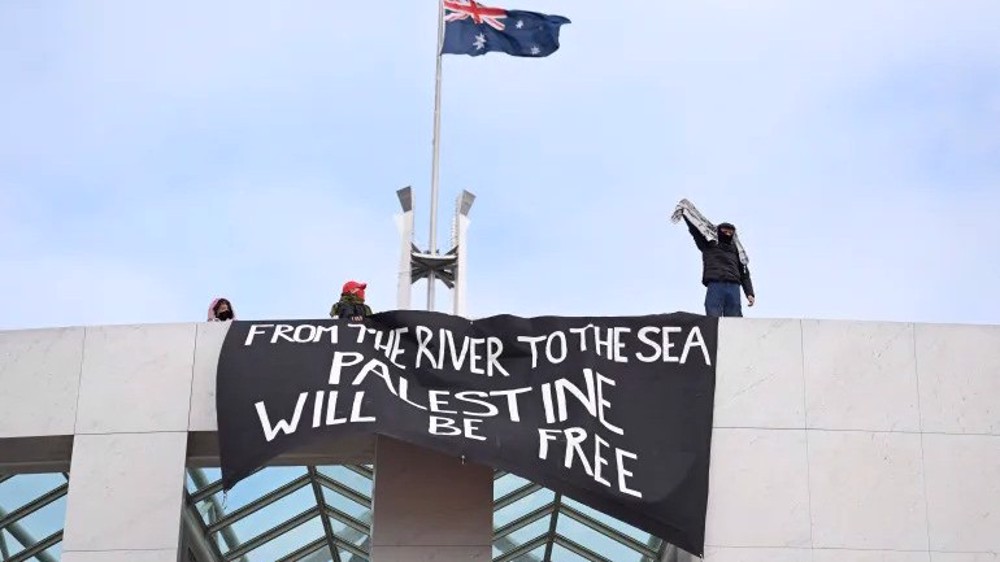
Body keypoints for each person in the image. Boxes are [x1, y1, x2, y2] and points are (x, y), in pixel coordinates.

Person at [672, 199, 755, 317]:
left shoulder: (738, 251)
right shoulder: (709, 245)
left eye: (730, 232)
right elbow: (696, 230)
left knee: (734, 315)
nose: (727, 234)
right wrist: (686, 215)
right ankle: (713, 334)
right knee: (713, 314)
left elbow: (745, 274)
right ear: (718, 231)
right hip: (715, 283)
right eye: (724, 231)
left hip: (734, 286)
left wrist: (749, 293)